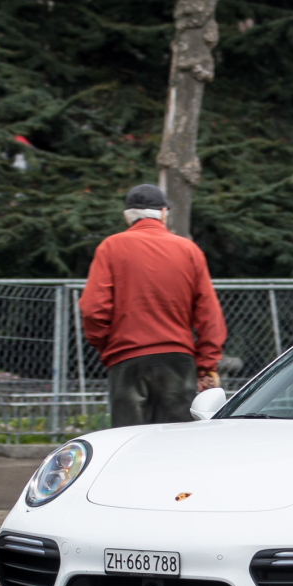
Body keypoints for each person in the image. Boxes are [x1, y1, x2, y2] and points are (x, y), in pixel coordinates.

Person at [79, 182, 227, 426]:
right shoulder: (189, 250)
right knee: (179, 440)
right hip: (177, 360)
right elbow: (209, 316)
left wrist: (108, 347)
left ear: (128, 216)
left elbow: (93, 309)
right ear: (163, 213)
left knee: (127, 442)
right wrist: (205, 366)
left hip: (126, 359)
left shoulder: (110, 247)